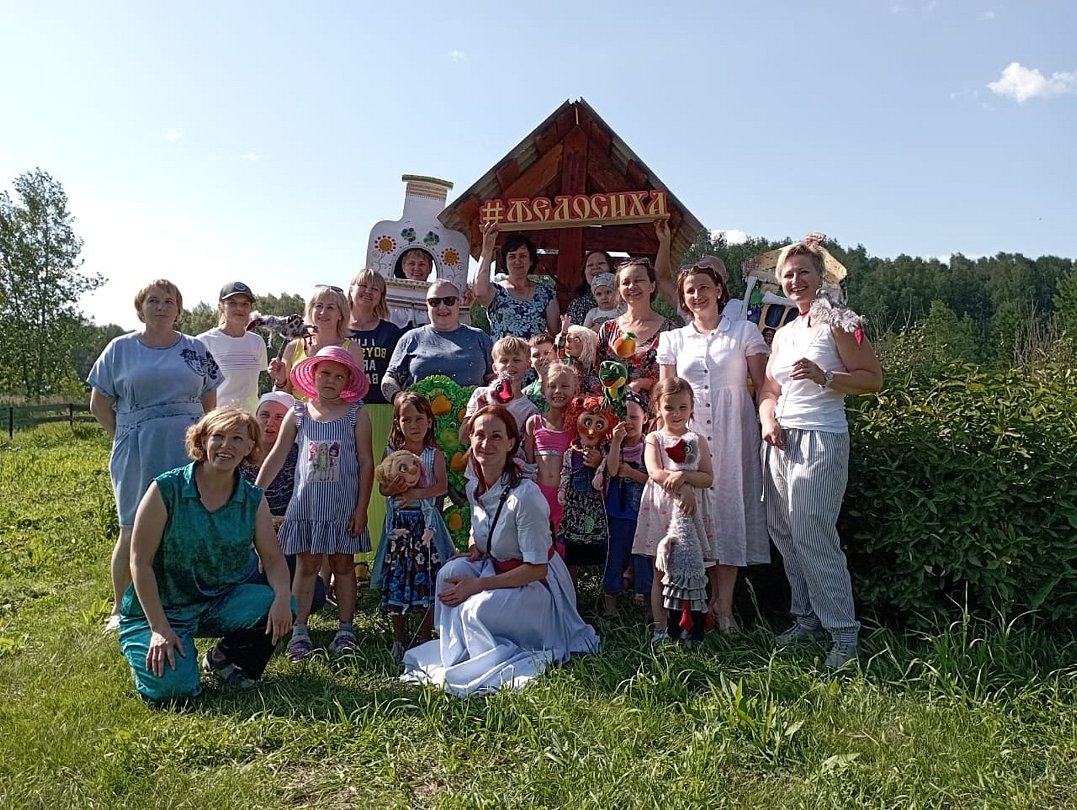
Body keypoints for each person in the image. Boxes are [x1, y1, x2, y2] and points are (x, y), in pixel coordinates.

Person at [401, 404, 599, 696]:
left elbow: (537, 569)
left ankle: (490, 658)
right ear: (470, 439)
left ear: (510, 443)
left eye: (496, 436)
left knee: (476, 608)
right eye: (480, 435)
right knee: (448, 575)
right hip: (495, 566)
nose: (486, 443)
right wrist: (474, 547)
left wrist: (479, 585)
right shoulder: (474, 486)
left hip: (538, 587)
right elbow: (479, 528)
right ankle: (460, 655)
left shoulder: (526, 497)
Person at [758, 239, 882, 670]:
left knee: (813, 532)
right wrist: (768, 419)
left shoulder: (841, 322)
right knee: (784, 532)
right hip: (780, 439)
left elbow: (872, 379)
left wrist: (825, 376)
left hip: (821, 437)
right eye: (788, 274)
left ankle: (844, 634)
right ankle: (807, 619)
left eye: (804, 272)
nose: (796, 281)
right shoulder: (785, 331)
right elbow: (769, 387)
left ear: (821, 276)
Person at [118, 408, 292, 704]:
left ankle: (226, 659)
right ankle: (145, 645)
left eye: (237, 439)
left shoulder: (253, 499)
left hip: (217, 603)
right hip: (159, 610)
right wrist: (159, 628)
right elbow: (140, 562)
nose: (226, 446)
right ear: (202, 440)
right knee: (175, 692)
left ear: (250, 447)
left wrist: (282, 598)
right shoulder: (165, 489)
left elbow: (273, 559)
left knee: (285, 602)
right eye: (218, 436)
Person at [88, 279, 222, 633]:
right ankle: (121, 608)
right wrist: (125, 434)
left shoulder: (195, 348)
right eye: (153, 300)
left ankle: (186, 600)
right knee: (132, 527)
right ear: (140, 308)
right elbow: (99, 404)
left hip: (186, 447)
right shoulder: (119, 349)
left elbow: (210, 402)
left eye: (168, 301)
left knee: (187, 525)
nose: (161, 306)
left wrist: (204, 443)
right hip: (137, 448)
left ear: (178, 309)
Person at [657, 262, 771, 634]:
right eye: (689, 290)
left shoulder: (743, 331)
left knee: (730, 513)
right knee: (694, 518)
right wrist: (667, 450)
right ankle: (692, 606)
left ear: (719, 290)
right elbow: (665, 399)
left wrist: (769, 423)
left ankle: (725, 607)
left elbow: (763, 386)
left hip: (734, 434)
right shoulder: (673, 340)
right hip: (690, 442)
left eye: (704, 287)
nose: (697, 295)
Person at [256, 346, 374, 661]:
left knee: (343, 566)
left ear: (348, 381)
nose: (331, 380)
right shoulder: (299, 413)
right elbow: (277, 456)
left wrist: (361, 508)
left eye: (339, 376)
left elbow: (366, 463)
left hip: (343, 508)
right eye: (325, 373)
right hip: (306, 508)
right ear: (313, 374)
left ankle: (346, 630)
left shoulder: (356, 413)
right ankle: (299, 632)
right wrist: (255, 493)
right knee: (307, 566)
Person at [632, 378, 718, 645]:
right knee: (661, 572)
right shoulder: (654, 439)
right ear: (658, 407)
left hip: (691, 516)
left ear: (692, 407)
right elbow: (655, 472)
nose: (677, 413)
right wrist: (683, 489)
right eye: (669, 407)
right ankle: (661, 629)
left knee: (692, 572)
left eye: (683, 407)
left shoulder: (697, 440)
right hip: (662, 512)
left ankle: (691, 627)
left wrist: (685, 476)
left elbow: (707, 477)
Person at [371, 393, 455, 660]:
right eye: (406, 419)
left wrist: (417, 494)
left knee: (426, 579)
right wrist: (391, 488)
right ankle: (399, 637)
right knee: (397, 578)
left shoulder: (433, 454)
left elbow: (442, 487)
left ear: (429, 421)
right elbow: (383, 488)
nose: (414, 425)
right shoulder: (391, 454)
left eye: (419, 419)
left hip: (425, 530)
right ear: (397, 423)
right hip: (399, 529)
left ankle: (425, 636)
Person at [239, 391, 327, 613]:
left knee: (315, 594)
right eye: (265, 415)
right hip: (243, 544)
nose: (270, 422)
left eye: (280, 417)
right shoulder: (237, 454)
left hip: (287, 542)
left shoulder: (300, 456)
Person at [348, 268, 404, 580]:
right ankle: (349, 555)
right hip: (346, 411)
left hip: (381, 411)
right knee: (350, 479)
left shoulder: (391, 332)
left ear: (382, 296)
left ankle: (374, 556)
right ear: (351, 289)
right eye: (363, 286)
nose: (368, 292)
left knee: (378, 478)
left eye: (375, 288)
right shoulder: (338, 329)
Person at [382, 280, 494, 399]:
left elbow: (494, 376)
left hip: (472, 410)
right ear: (427, 305)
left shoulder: (479, 337)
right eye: (434, 302)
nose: (442, 307)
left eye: (449, 301)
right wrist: (398, 398)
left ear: (458, 303)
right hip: (421, 410)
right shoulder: (410, 338)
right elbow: (390, 378)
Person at [598, 390, 653, 615]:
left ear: (645, 418)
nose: (628, 422)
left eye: (634, 417)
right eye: (623, 417)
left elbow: (654, 480)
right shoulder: (612, 446)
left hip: (643, 516)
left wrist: (632, 473)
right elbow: (611, 470)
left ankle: (649, 605)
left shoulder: (650, 446)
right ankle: (610, 605)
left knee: (644, 560)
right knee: (614, 557)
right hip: (617, 516)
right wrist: (616, 443)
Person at [596, 257, 677, 394]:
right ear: (619, 289)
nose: (632, 286)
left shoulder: (670, 332)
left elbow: (677, 381)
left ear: (652, 285)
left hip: (654, 405)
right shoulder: (608, 329)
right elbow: (595, 372)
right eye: (626, 282)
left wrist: (647, 384)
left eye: (638, 280)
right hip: (612, 405)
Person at [268, 285, 363, 400]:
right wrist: (280, 381)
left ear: (341, 315)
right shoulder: (293, 346)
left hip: (334, 411)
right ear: (310, 310)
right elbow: (281, 398)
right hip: (296, 411)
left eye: (330, 307)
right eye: (319, 306)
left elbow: (354, 395)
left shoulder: (352, 350)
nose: (323, 312)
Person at [523, 362, 580, 546]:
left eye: (564, 386)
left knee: (564, 549)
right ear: (543, 389)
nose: (558, 391)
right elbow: (529, 464)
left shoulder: (578, 426)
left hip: (567, 498)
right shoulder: (534, 423)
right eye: (552, 386)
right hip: (539, 496)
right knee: (540, 546)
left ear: (575, 390)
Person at [560, 395, 616, 575]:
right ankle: (572, 583)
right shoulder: (571, 451)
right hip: (575, 506)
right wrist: (562, 489)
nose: (591, 430)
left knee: (597, 547)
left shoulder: (605, 450)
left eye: (599, 425)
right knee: (573, 549)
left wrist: (600, 465)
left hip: (596, 506)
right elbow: (566, 471)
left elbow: (610, 471)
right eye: (587, 422)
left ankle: (599, 579)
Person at [474, 224, 559, 341]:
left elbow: (554, 333)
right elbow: (479, 292)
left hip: (533, 353)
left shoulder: (546, 292)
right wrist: (487, 249)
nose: (517, 261)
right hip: (502, 353)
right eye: (512, 256)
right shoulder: (496, 290)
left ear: (531, 261)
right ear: (505, 261)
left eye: (523, 256)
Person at [196, 281, 267, 412]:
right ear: (221, 307)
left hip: (250, 420)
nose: (239, 308)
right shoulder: (203, 342)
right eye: (232, 303)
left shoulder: (257, 342)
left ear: (251, 308)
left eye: (245, 304)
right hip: (218, 420)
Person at [460, 336, 538, 440]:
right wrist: (479, 411)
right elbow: (463, 438)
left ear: (528, 365)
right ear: (494, 368)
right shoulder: (481, 395)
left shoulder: (529, 409)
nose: (510, 364)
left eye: (516, 360)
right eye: (504, 361)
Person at [565, 250, 616, 326]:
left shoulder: (623, 299)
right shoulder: (577, 304)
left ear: (610, 268)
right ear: (584, 272)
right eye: (590, 265)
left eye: (601, 263)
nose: (595, 267)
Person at [522, 333, 557, 411]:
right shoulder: (526, 394)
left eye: (547, 353)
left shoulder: (568, 385)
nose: (542, 357)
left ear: (557, 355)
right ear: (530, 362)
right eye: (536, 355)